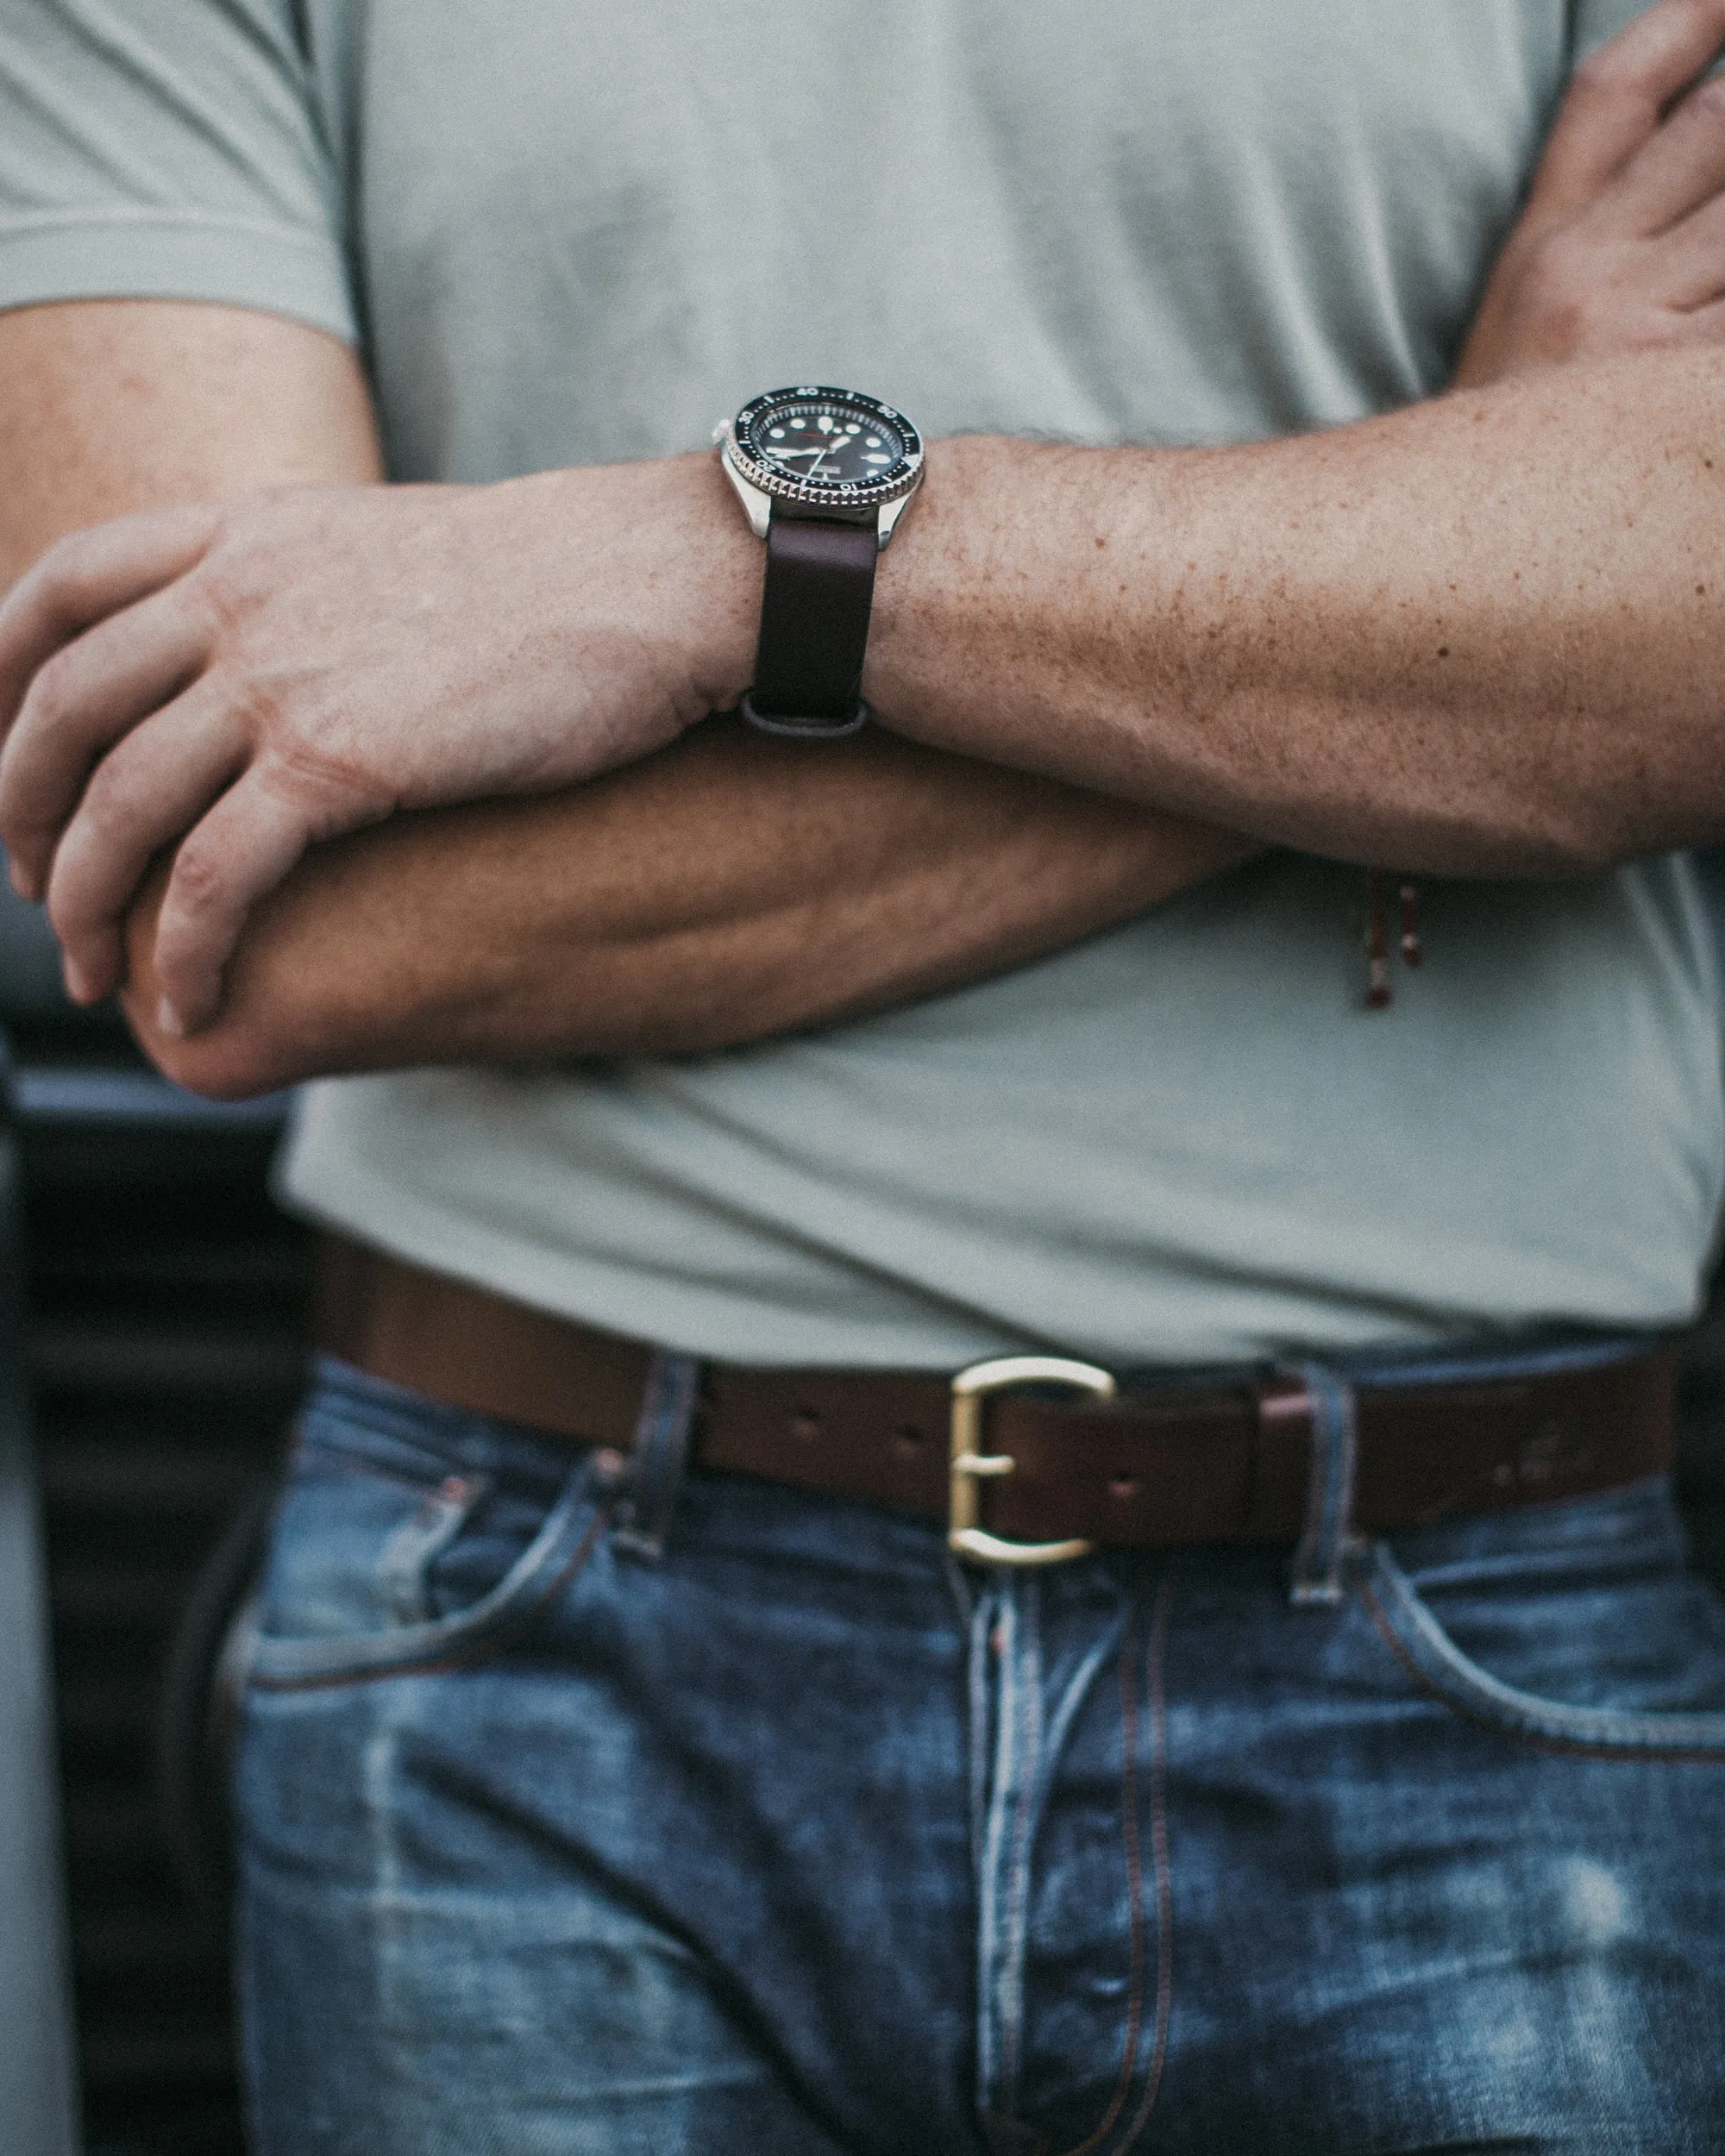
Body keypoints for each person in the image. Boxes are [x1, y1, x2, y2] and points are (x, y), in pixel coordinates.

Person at [4, 1, 1725, 2148]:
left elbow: (1684, 645)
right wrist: (1435, 621)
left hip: (1462, 1623)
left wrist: (721, 564)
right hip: (540, 1658)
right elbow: (237, 910)